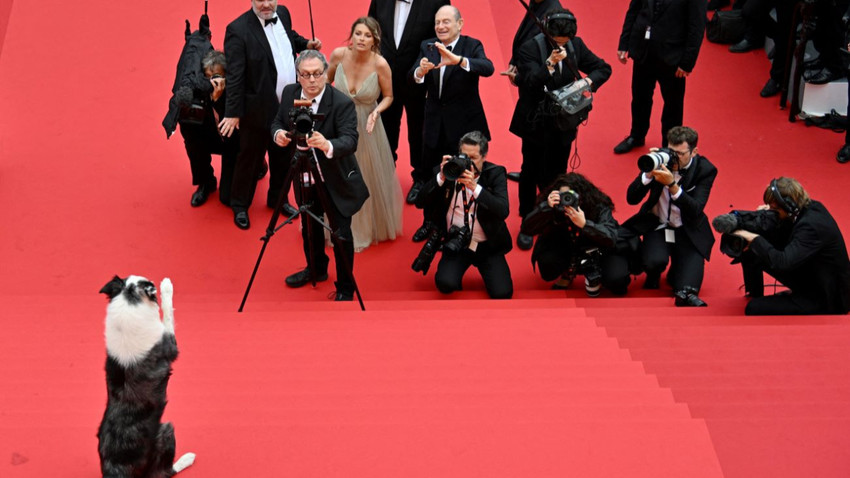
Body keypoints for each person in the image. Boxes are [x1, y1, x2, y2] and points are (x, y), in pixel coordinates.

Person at [270, 50, 370, 301]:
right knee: (308, 224)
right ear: (298, 76)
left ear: (326, 74)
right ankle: (315, 269)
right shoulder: (290, 94)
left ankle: (346, 286)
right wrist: (279, 134)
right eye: (306, 74)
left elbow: (350, 140)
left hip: (333, 177)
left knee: (341, 233)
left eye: (317, 74)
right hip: (302, 172)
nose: (312, 80)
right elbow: (277, 122)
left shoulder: (341, 103)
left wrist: (327, 144)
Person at [509, 8, 611, 250]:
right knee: (530, 169)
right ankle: (527, 218)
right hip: (535, 120)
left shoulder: (576, 45)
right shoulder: (529, 48)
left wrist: (587, 81)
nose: (561, 45)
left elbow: (603, 68)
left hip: (564, 122)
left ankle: (553, 211)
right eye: (557, 41)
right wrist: (549, 66)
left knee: (558, 170)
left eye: (565, 42)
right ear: (546, 31)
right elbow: (531, 83)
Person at [221, 0, 321, 229]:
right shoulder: (237, 30)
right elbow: (235, 76)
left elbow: (289, 38)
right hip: (256, 110)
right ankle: (240, 205)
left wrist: (306, 43)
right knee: (250, 159)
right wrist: (234, 113)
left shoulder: (283, 13)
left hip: (288, 107)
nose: (266, 4)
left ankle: (278, 199)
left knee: (283, 158)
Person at [409, 5, 494, 242]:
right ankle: (429, 223)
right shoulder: (428, 45)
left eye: (446, 22)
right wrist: (420, 71)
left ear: (460, 23)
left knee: (466, 177)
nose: (441, 27)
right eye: (437, 22)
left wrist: (459, 61)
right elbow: (412, 76)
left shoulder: (471, 45)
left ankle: (464, 225)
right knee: (432, 177)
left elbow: (487, 67)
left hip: (465, 127)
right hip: (434, 124)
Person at [327, 17, 403, 252]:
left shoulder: (380, 64)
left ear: (375, 40)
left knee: (364, 174)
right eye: (358, 33)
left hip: (367, 125)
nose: (361, 39)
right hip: (338, 123)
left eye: (367, 35)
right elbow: (326, 82)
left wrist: (376, 112)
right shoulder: (338, 55)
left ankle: (365, 227)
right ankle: (334, 223)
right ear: (352, 35)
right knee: (336, 173)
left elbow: (389, 96)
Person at [367, 0, 450, 204]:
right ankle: (386, 174)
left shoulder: (436, 2)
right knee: (385, 127)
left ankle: (420, 177)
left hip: (418, 78)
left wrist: (418, 72)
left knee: (419, 130)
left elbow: (439, 37)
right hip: (385, 78)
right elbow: (371, 28)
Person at [623, 126, 716, 307]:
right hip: (657, 225)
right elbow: (631, 198)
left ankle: (676, 271)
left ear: (694, 152)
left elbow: (696, 209)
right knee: (653, 261)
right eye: (671, 151)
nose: (674, 158)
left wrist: (672, 185)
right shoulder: (660, 160)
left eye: (680, 154)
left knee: (686, 289)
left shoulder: (706, 170)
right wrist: (648, 174)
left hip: (687, 230)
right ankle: (654, 273)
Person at [729, 177, 850, 315]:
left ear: (789, 206)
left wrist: (754, 238)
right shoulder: (810, 207)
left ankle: (776, 300)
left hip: (828, 298)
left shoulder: (811, 226)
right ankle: (753, 292)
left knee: (753, 308)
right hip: (811, 274)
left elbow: (782, 262)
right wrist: (764, 218)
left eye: (775, 209)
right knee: (755, 248)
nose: (772, 212)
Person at [414, 131, 513, 299]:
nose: (468, 164)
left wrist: (475, 188)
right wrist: (440, 177)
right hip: (457, 244)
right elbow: (419, 202)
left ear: (484, 157)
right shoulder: (448, 172)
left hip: (487, 245)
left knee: (503, 293)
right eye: (464, 157)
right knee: (445, 284)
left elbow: (503, 210)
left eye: (473, 158)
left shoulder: (495, 174)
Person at [613, 0, 707, 153]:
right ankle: (636, 135)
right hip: (643, 51)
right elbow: (634, 10)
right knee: (639, 97)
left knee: (673, 106)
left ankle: (670, 146)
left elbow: (697, 26)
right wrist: (624, 43)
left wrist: (687, 62)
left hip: (672, 57)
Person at [520, 173, 630, 296]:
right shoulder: (554, 207)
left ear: (582, 196)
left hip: (599, 250)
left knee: (617, 281)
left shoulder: (597, 205)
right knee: (548, 264)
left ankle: (597, 273)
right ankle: (567, 273)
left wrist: (584, 224)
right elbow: (526, 229)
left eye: (572, 196)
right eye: (563, 196)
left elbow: (611, 238)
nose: (567, 200)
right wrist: (546, 207)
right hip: (566, 247)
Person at [176, 50, 239, 208]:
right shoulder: (198, 90)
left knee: (227, 197)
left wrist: (218, 99)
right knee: (193, 145)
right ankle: (206, 183)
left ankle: (258, 164)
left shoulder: (235, 91)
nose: (212, 81)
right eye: (208, 76)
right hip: (209, 136)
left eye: (216, 75)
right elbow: (188, 131)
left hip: (232, 140)